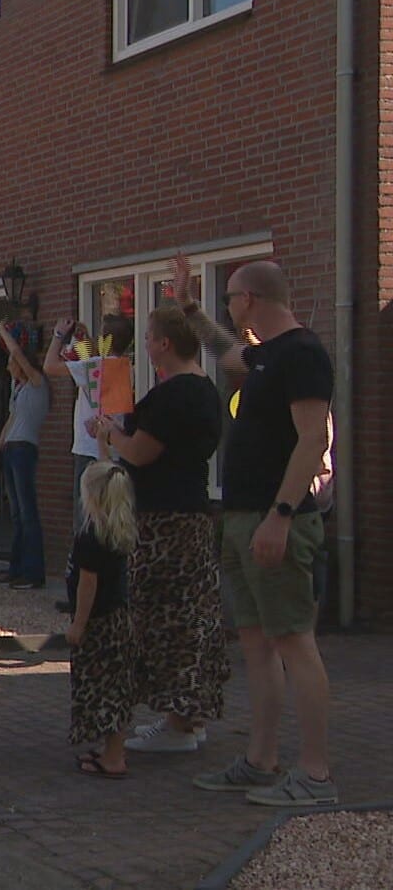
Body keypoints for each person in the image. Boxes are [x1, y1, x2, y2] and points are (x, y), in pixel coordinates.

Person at [175, 257, 337, 806]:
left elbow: (312, 440)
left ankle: (315, 775)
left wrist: (282, 515)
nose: (228, 307)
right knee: (257, 643)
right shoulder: (265, 356)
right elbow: (225, 349)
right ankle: (261, 761)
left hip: (278, 521)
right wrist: (190, 309)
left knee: (294, 640)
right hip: (243, 517)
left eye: (230, 297)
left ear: (251, 299)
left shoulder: (303, 355)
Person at [88, 306, 227, 753]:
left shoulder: (176, 395)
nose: (145, 345)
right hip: (190, 516)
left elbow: (142, 453)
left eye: (149, 337)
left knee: (167, 619)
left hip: (167, 522)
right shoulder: (202, 389)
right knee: (189, 616)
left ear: (165, 343)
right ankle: (186, 717)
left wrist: (111, 437)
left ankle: (180, 724)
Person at [44, 313, 136, 612]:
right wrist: (84, 342)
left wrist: (60, 334)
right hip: (113, 448)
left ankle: (80, 594)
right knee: (110, 520)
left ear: (104, 338)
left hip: (88, 450)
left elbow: (50, 366)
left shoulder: (93, 366)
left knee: (85, 523)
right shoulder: (122, 367)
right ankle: (111, 590)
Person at [69, 461, 138, 778]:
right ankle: (114, 749)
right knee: (118, 689)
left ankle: (113, 758)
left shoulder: (90, 537)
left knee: (102, 689)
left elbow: (88, 585)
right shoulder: (120, 531)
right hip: (120, 619)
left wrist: (79, 624)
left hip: (99, 624)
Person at [0, 320, 49, 589]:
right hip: (12, 449)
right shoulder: (18, 389)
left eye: (11, 362)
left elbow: (20, 357)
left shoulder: (37, 383)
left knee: (27, 512)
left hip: (25, 449)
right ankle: (16, 568)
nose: (8, 367)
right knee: (15, 514)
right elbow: (11, 421)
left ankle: (33, 573)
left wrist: (2, 331)